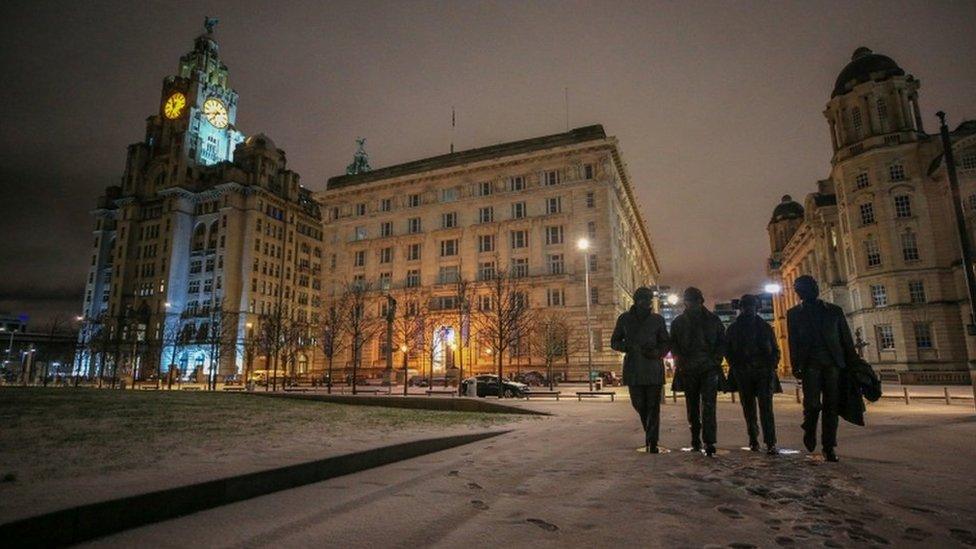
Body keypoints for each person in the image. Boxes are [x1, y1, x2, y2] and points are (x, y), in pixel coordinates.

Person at [786, 275, 857, 462]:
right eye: (806, 287)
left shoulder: (834, 311)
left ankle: (829, 446)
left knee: (831, 406)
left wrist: (853, 362)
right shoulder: (793, 314)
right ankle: (809, 428)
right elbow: (793, 343)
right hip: (810, 364)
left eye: (813, 286)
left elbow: (846, 339)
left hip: (833, 364)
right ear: (800, 293)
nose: (812, 290)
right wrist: (795, 365)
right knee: (812, 405)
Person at [611, 287, 671, 453]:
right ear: (637, 301)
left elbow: (666, 342)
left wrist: (657, 352)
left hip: (653, 368)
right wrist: (627, 347)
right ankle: (650, 433)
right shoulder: (624, 319)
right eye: (644, 299)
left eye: (649, 299)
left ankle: (652, 440)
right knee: (639, 404)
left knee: (653, 406)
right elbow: (614, 342)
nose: (648, 302)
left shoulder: (657, 320)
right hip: (634, 369)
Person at [670, 287, 726, 456]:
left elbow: (722, 343)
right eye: (688, 301)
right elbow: (674, 345)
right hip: (688, 369)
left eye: (693, 300)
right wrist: (680, 362)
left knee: (709, 406)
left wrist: (715, 360)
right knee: (692, 406)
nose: (690, 304)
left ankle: (709, 441)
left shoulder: (714, 320)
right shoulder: (678, 322)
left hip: (709, 368)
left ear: (700, 301)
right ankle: (695, 438)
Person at [726, 294, 780, 455]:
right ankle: (753, 438)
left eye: (752, 306)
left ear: (756, 308)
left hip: (764, 372)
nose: (749, 309)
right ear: (741, 308)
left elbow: (775, 350)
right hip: (744, 373)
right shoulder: (733, 329)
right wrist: (738, 366)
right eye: (746, 306)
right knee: (748, 408)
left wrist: (771, 365)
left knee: (766, 409)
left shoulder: (765, 327)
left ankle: (770, 442)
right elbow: (728, 352)